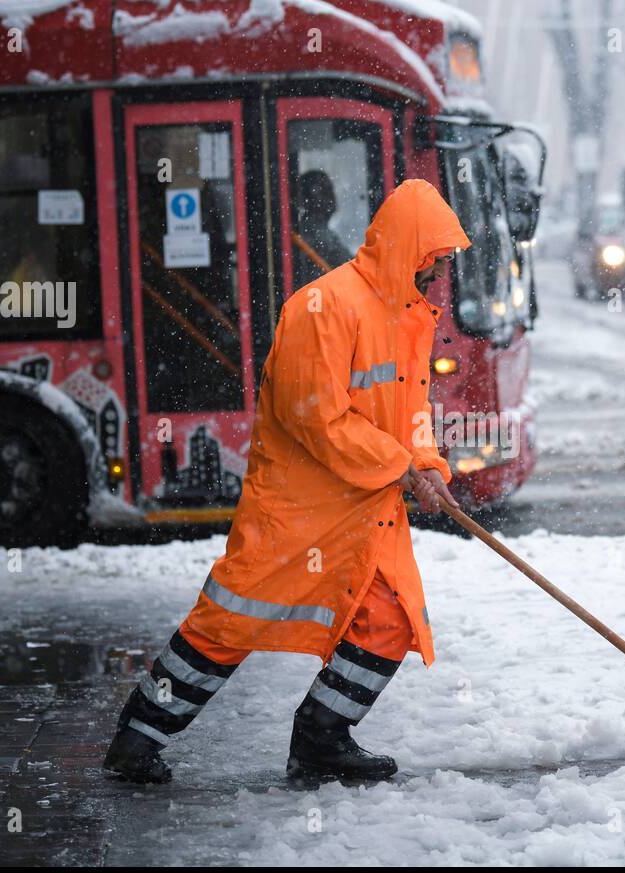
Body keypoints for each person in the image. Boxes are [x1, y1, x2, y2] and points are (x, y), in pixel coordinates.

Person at [104, 178, 468, 783]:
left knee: (390, 619)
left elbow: (412, 413)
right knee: (229, 623)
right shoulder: (323, 306)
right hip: (298, 510)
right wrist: (399, 465)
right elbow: (314, 415)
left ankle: (322, 738)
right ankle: (138, 737)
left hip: (367, 509)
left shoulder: (408, 319)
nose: (440, 276)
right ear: (411, 251)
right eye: (436, 261)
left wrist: (426, 463)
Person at [292, 169, 356, 287]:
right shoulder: (313, 234)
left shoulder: (312, 230)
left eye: (330, 190)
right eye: (324, 191)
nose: (332, 197)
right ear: (307, 201)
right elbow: (352, 268)